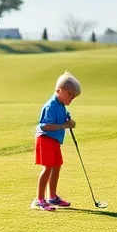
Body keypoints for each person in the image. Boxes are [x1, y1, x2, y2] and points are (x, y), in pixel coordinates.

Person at [32, 71, 81, 211]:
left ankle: (52, 197)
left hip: (54, 141)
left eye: (73, 96)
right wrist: (64, 126)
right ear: (59, 91)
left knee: (56, 166)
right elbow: (45, 125)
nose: (72, 98)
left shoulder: (61, 105)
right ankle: (39, 200)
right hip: (45, 139)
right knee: (47, 168)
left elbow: (64, 120)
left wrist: (69, 122)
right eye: (70, 95)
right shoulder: (51, 105)